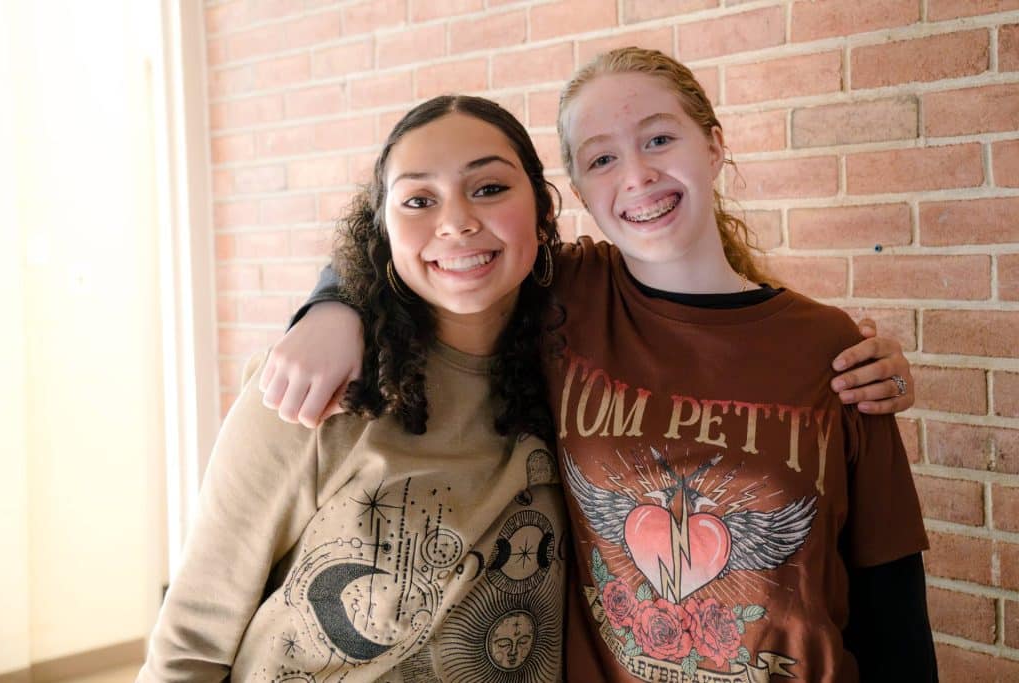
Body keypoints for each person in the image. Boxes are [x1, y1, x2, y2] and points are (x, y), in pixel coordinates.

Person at [261, 48, 935, 682]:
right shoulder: (566, 297)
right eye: (603, 158)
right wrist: (331, 307)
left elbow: (890, 595)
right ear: (578, 188)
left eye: (660, 139)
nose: (637, 175)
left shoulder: (827, 345)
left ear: (714, 145)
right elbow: (434, 253)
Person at [138, 95, 571, 682]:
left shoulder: (579, 366)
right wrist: (335, 303)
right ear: (384, 230)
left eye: (489, 188)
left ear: (544, 211)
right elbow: (191, 641)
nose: (456, 221)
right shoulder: (317, 388)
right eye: (419, 200)